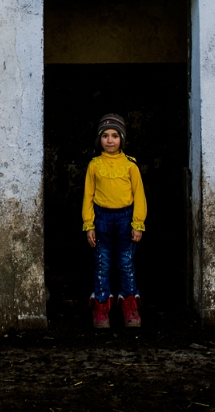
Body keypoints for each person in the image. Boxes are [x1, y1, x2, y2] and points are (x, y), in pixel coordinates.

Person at [82, 114, 147, 329]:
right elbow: (88, 196)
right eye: (105, 136)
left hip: (125, 220)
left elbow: (139, 196)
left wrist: (138, 224)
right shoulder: (94, 166)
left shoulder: (130, 166)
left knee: (126, 263)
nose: (110, 140)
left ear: (122, 139)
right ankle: (101, 308)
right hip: (102, 220)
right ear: (99, 139)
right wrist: (89, 224)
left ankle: (129, 306)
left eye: (115, 136)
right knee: (102, 264)